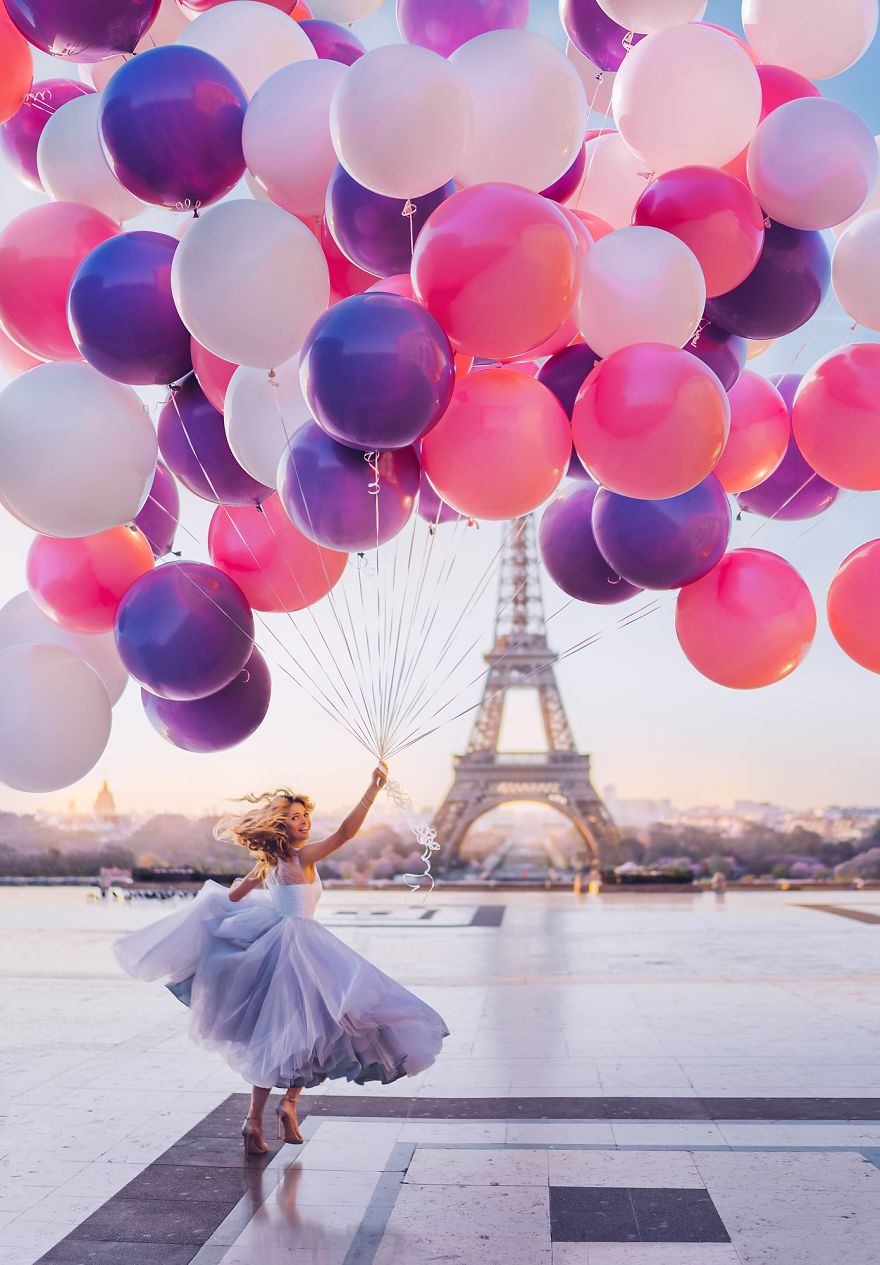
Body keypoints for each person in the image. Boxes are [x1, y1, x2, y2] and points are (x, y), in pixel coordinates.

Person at [114, 764, 449, 1155]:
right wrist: (371, 790)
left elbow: (235, 898)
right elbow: (345, 833)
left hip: (277, 948)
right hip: (307, 949)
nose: (304, 823)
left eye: (306, 816)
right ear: (281, 825)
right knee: (318, 1028)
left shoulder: (267, 863)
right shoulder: (302, 857)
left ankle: (253, 1122)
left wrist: (242, 892)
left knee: (276, 1038)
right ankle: (289, 1102)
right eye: (295, 818)